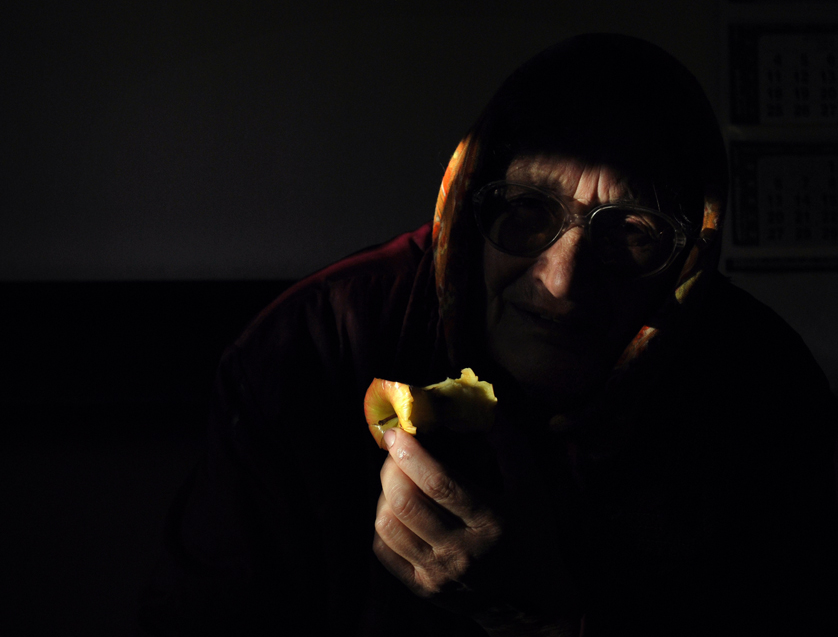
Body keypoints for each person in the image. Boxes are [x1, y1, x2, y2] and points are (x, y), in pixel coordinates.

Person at [136, 34, 838, 636]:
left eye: (632, 231)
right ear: (469, 207)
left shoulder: (760, 386)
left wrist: (554, 618)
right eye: (527, 209)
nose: (562, 281)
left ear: (688, 260)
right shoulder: (315, 346)